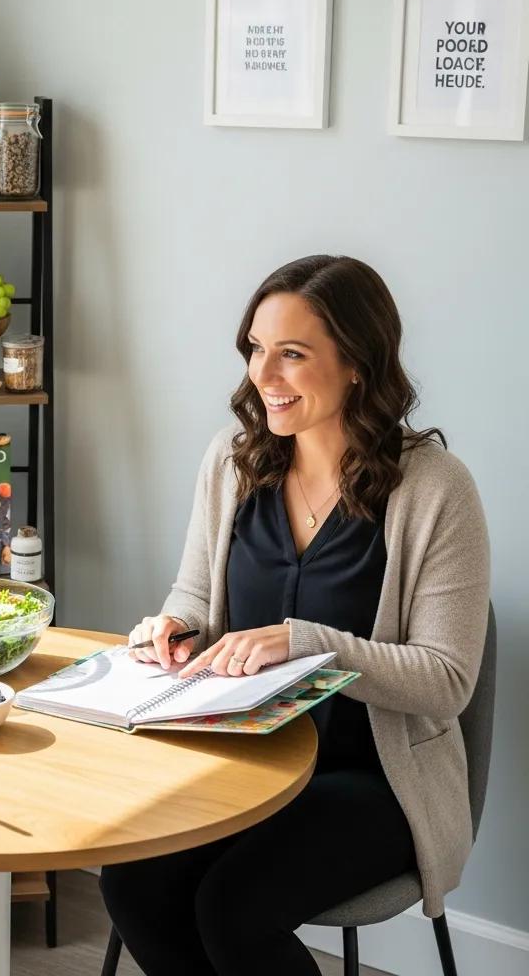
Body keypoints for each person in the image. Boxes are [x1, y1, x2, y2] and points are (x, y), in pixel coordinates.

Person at [100, 255, 490, 975]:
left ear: (356, 366)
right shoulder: (234, 459)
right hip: (243, 760)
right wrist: (173, 628)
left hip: (375, 779)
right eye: (255, 348)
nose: (263, 375)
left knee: (234, 905)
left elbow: (447, 680)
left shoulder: (436, 490)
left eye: (292, 354)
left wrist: (308, 645)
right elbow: (192, 595)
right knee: (133, 881)